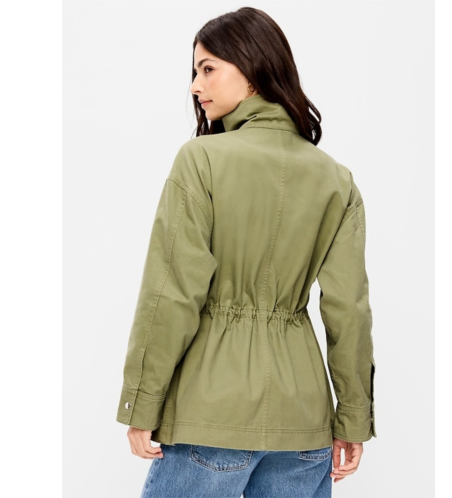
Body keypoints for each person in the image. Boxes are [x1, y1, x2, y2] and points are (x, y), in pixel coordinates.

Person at [116, 7, 376, 498]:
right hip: (304, 423)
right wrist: (353, 419)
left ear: (253, 69)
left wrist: (141, 403)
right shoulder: (336, 179)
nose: (196, 85)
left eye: (208, 68)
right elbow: (350, 312)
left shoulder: (201, 159)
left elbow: (171, 293)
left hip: (211, 412)